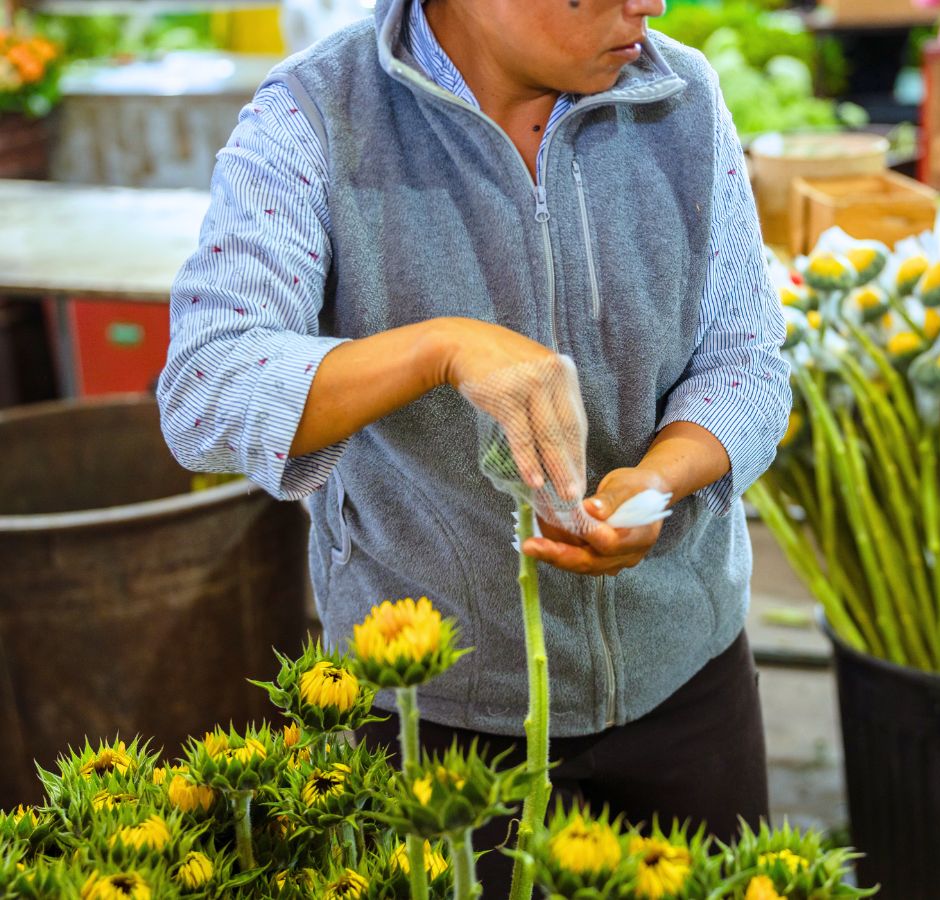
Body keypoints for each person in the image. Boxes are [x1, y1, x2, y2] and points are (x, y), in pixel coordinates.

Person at [158, 0, 790, 889]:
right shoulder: (315, 118)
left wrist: (656, 483)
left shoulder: (681, 98)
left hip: (685, 688)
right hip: (432, 722)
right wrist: (438, 347)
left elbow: (747, 360)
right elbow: (204, 393)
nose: (646, 4)